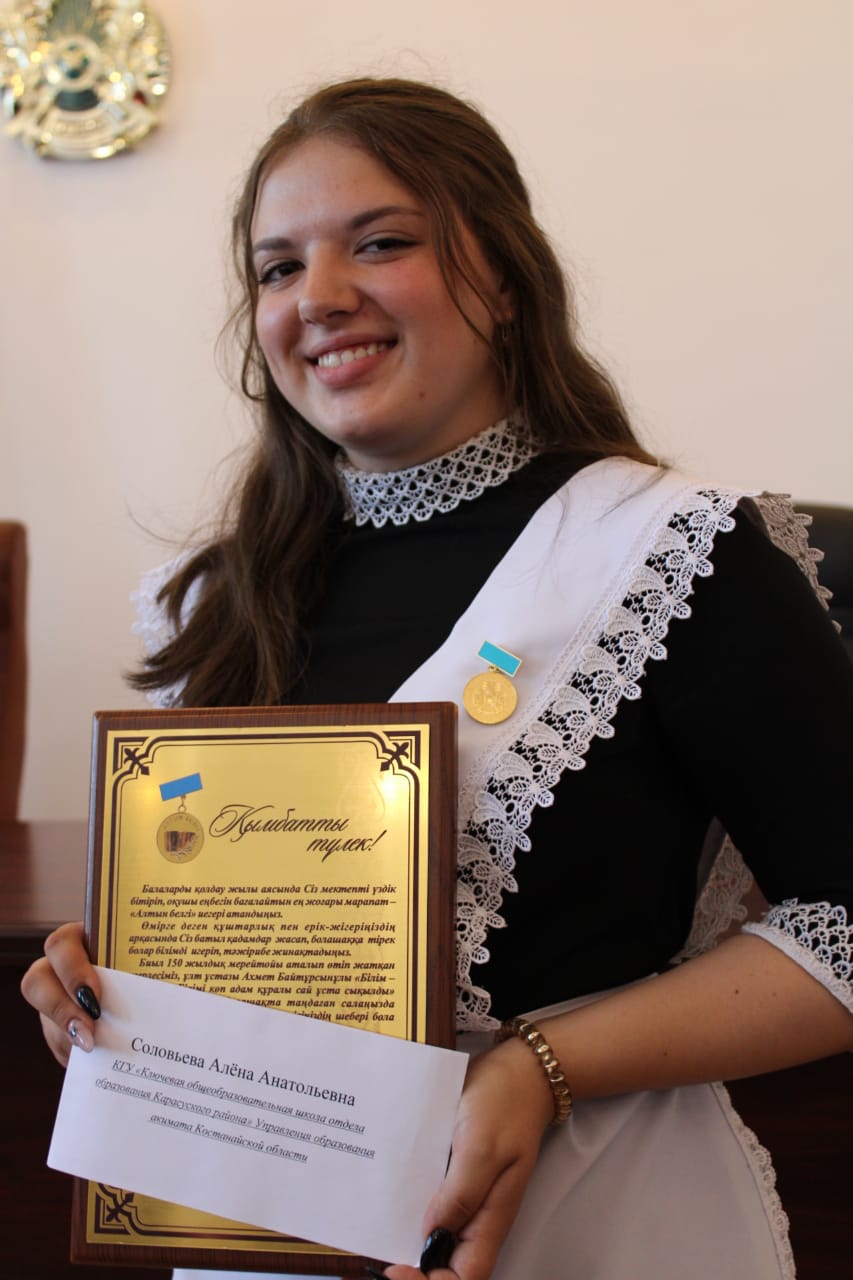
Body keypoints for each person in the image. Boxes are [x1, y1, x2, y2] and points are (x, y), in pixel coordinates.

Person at [21, 77, 853, 1280]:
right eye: (276, 267)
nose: (319, 294)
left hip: (596, 1218)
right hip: (268, 1239)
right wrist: (100, 995)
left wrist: (541, 1065)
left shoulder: (675, 555)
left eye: (380, 243)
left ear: (503, 277)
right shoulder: (209, 603)